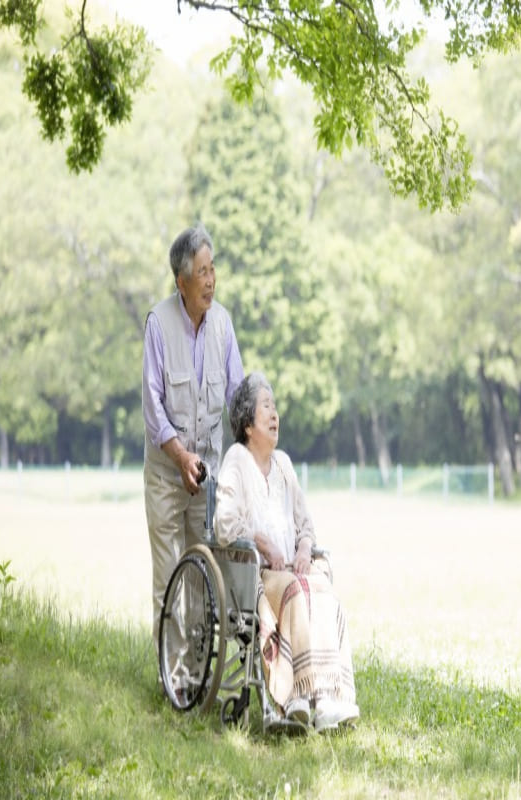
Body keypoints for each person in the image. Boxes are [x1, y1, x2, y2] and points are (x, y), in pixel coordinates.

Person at [214, 372, 359, 732]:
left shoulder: (285, 465)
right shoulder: (236, 459)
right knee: (298, 592)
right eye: (266, 407)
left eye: (275, 407)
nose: (275, 414)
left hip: (293, 570)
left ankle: (326, 698)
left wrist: (305, 547)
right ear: (248, 423)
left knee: (323, 592)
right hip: (257, 574)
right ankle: (295, 693)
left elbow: (305, 524)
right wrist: (263, 543)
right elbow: (225, 525)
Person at [142, 223, 244, 654]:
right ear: (181, 281)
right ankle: (175, 676)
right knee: (169, 579)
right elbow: (153, 409)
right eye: (201, 271)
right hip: (168, 476)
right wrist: (182, 457)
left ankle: (202, 669)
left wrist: (250, 454)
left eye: (213, 268)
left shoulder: (222, 324)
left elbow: (237, 397)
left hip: (208, 480)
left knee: (207, 577)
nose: (210, 279)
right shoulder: (158, 324)